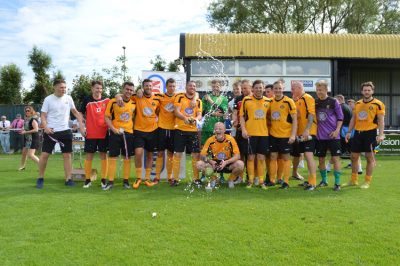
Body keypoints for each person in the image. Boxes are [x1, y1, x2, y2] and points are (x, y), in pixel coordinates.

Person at [36, 79, 85, 189]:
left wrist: (81, 125)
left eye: (64, 87)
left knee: (67, 155)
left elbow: (75, 112)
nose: (63, 89)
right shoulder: (48, 99)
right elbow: (43, 115)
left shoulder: (69, 98)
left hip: (65, 131)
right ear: (54, 87)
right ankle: (40, 178)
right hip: (51, 131)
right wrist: (46, 127)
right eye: (61, 87)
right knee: (44, 155)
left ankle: (68, 179)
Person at [344, 81, 385, 189]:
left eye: (369, 90)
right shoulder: (357, 103)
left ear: (372, 91)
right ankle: (353, 180)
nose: (367, 92)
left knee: (369, 157)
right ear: (362, 91)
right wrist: (348, 131)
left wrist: (381, 134)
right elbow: (354, 118)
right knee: (353, 156)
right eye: (365, 90)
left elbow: (381, 121)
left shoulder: (378, 104)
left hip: (370, 133)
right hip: (357, 133)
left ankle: (367, 181)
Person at [102, 82, 136, 190]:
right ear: (123, 89)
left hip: (129, 133)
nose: (129, 91)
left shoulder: (134, 103)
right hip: (115, 133)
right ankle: (110, 181)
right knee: (113, 156)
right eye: (127, 89)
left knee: (127, 157)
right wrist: (113, 129)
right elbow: (107, 117)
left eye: (131, 90)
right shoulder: (113, 102)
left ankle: (126, 181)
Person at [240, 80, 271, 189]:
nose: (258, 89)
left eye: (260, 88)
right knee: (250, 157)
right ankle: (250, 181)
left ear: (263, 89)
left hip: (263, 134)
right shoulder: (246, 99)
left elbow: (270, 118)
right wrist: (243, 130)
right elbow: (242, 117)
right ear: (253, 89)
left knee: (261, 158)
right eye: (256, 87)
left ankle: (261, 181)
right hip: (250, 134)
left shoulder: (268, 101)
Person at [171, 80, 202, 186]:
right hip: (180, 129)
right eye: (190, 86)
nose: (192, 87)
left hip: (193, 131)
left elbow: (199, 115)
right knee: (178, 154)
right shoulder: (179, 96)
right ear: (186, 87)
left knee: (196, 155)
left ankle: (196, 179)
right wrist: (185, 118)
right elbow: (176, 111)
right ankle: (175, 179)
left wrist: (194, 119)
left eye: (194, 86)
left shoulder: (198, 101)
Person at [80, 80, 110, 189]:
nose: (99, 90)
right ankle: (87, 180)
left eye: (101, 88)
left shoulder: (107, 100)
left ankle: (103, 179)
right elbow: (80, 113)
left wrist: (118, 95)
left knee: (103, 155)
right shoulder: (87, 100)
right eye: (97, 88)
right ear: (92, 89)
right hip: (91, 133)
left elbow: (118, 99)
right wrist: (81, 126)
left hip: (103, 132)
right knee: (89, 156)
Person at [131, 79, 160, 189]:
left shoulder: (157, 98)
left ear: (152, 87)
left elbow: (157, 111)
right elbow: (123, 95)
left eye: (150, 85)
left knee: (150, 155)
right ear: (143, 87)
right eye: (146, 86)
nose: (148, 87)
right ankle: (138, 178)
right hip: (139, 130)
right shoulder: (137, 96)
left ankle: (147, 179)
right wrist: (119, 96)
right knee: (138, 153)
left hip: (153, 131)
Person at [268, 81, 297, 189]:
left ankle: (286, 181)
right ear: (273, 90)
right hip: (273, 135)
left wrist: (293, 135)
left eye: (279, 88)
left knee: (285, 158)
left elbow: (294, 120)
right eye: (275, 88)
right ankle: (272, 180)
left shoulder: (289, 101)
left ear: (283, 89)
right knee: (273, 157)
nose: (278, 90)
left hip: (286, 135)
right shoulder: (270, 101)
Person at [315, 81, 343, 191]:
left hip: (333, 136)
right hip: (320, 137)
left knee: (335, 159)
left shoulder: (333, 102)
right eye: (317, 90)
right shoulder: (315, 102)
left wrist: (337, 131)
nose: (319, 92)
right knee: (321, 160)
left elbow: (340, 118)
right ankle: (324, 181)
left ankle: (337, 183)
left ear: (326, 90)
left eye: (321, 90)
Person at [197, 122, 244, 188]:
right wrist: (210, 161)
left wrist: (226, 162)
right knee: (199, 164)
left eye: (220, 129)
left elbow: (237, 156)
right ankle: (214, 179)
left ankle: (230, 180)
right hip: (215, 164)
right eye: (216, 129)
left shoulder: (230, 139)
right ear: (214, 130)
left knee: (240, 164)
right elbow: (202, 155)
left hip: (227, 164)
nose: (218, 130)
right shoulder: (210, 140)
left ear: (224, 130)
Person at [290, 81, 318, 190]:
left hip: (309, 133)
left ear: (299, 88)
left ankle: (313, 182)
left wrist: (307, 130)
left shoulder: (307, 97)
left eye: (293, 88)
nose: (292, 91)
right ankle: (299, 175)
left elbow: (311, 114)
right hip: (299, 134)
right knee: (298, 155)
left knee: (308, 155)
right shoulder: (297, 100)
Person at [153, 78, 177, 184]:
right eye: (170, 86)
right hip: (161, 128)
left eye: (173, 86)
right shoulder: (160, 96)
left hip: (173, 129)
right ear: (166, 87)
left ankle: (169, 177)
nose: (172, 88)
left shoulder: (178, 97)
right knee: (160, 153)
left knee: (171, 154)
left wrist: (195, 97)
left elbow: (194, 95)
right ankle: (157, 177)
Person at [232, 79, 252, 183]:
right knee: (241, 155)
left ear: (250, 88)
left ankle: (250, 177)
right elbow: (235, 112)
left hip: (251, 131)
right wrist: (235, 121)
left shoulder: (254, 98)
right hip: (239, 131)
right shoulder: (238, 99)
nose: (244, 90)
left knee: (250, 155)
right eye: (243, 88)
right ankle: (240, 177)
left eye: (246, 88)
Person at [201, 79, 228, 145]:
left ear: (220, 87)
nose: (215, 88)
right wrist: (214, 113)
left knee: (217, 149)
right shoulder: (205, 97)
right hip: (206, 127)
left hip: (218, 128)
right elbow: (202, 112)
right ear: (211, 87)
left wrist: (210, 101)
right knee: (205, 148)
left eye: (217, 87)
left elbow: (221, 112)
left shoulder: (224, 98)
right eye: (213, 87)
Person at [18, 106, 39, 170]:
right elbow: (26, 128)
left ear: (31, 111)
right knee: (24, 153)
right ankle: (22, 166)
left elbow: (36, 130)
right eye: (26, 111)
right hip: (27, 138)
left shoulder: (33, 119)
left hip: (33, 139)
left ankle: (41, 165)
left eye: (28, 110)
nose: (27, 112)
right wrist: (23, 130)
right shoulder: (26, 119)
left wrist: (25, 132)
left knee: (30, 155)